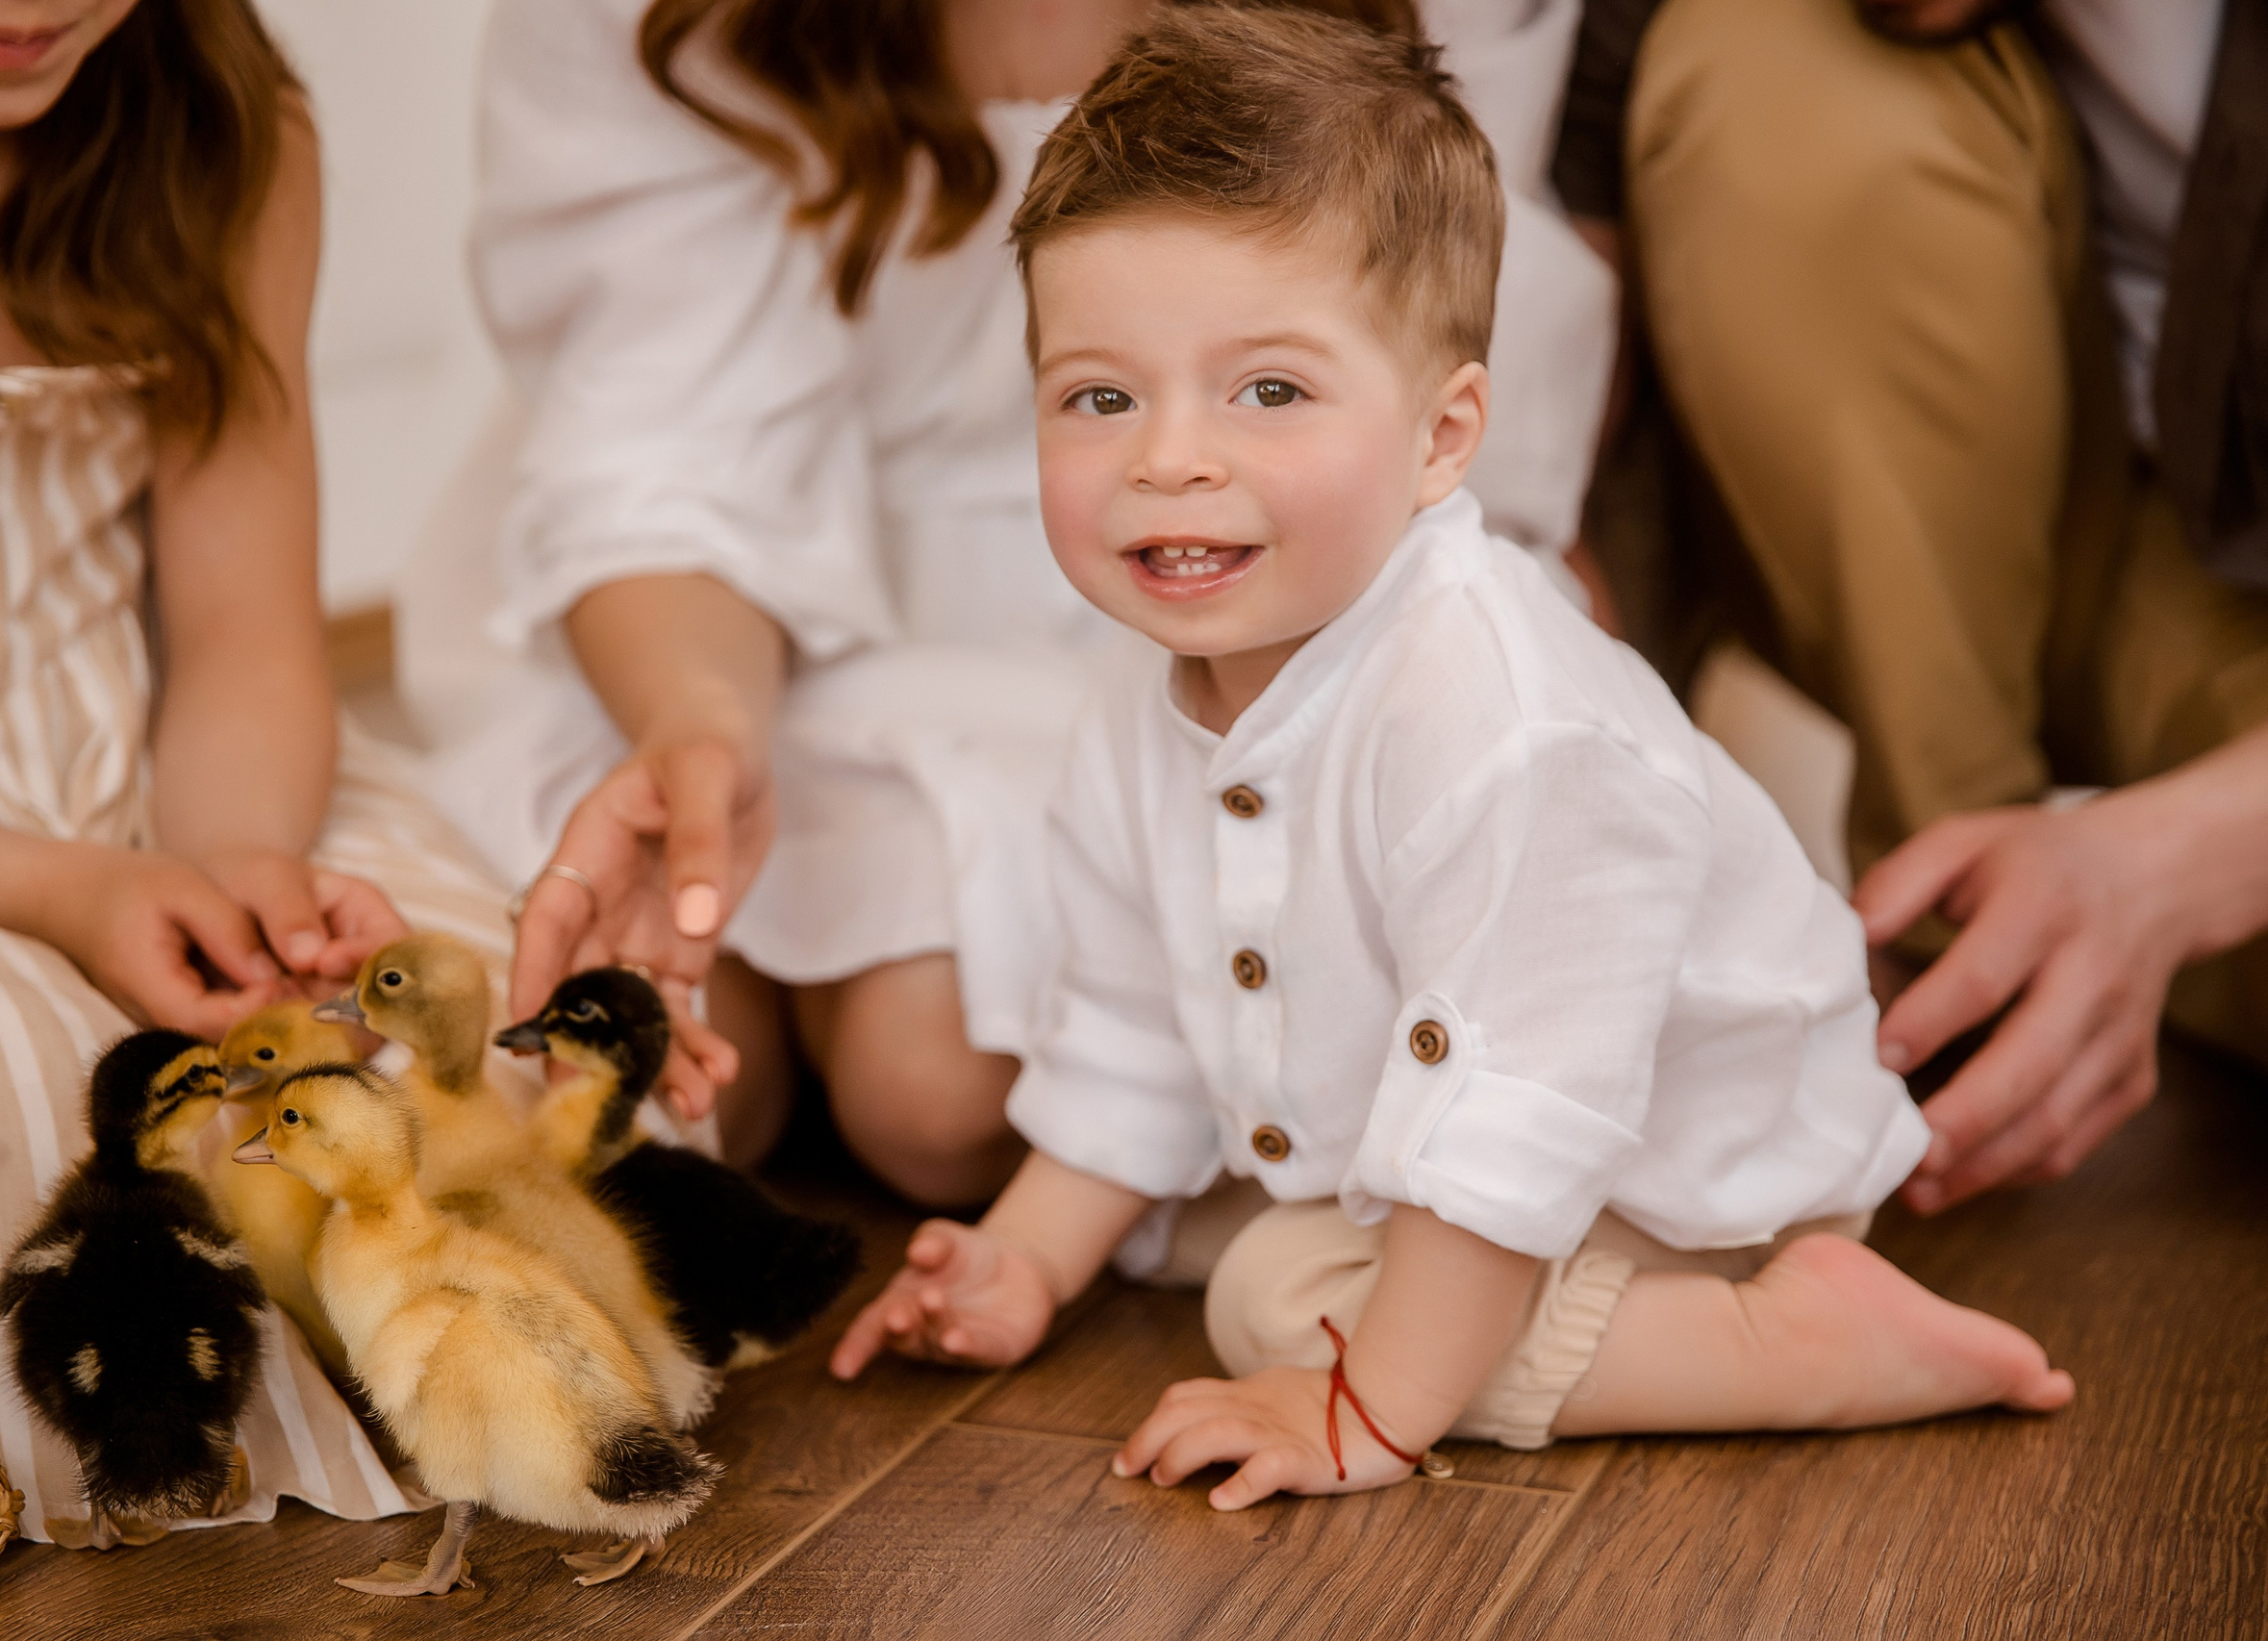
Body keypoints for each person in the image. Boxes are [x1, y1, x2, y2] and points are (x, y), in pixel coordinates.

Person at [830, 5, 2071, 1507]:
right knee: (1250, 1239)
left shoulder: (1500, 713)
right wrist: (1022, 1260)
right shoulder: (1136, 707)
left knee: (1278, 1301)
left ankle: (1783, 1334)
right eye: (1101, 396)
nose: (1169, 458)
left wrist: (1364, 1413)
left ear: (1442, 434)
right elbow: (1136, 1027)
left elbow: (1524, 1103)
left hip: (1677, 1172)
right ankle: (1605, 1317)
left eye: (1268, 389)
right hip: (1467, 1136)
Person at [421, 0, 1618, 1206]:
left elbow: (1425, 310)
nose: (1171, 454)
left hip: (1216, 592)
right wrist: (699, 721)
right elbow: (668, 442)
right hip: (738, 594)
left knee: (936, 1080)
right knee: (604, 1060)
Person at [0, 0, 516, 1539]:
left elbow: (246, 627)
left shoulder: (229, 132)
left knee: (455, 1016)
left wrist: (238, 865)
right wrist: (68, 890)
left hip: (124, 758)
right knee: (36, 1110)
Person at [1553, 0, 2268, 1215]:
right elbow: (1568, 326)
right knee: (1772, 57)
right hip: (2094, 515)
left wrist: (2171, 863)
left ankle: (2094, 956)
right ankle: (1967, 938)